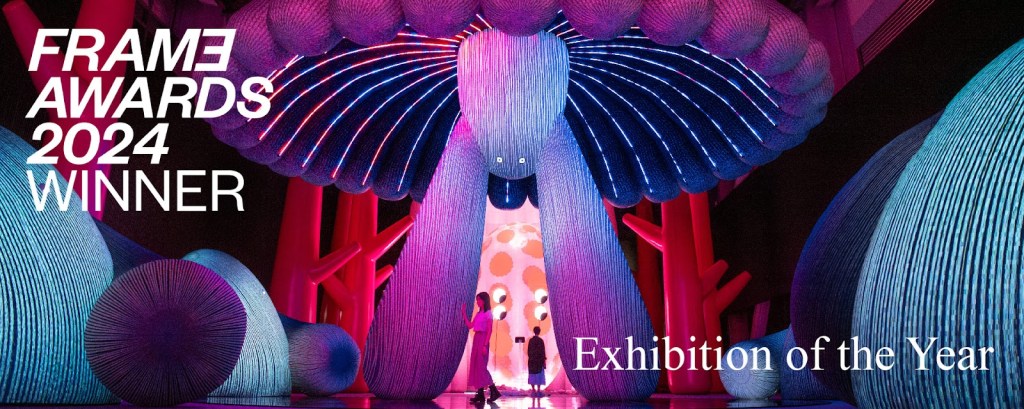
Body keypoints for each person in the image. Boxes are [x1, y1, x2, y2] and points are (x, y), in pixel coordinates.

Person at [462, 292, 501, 403]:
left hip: (483, 339)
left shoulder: (488, 314)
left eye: (479, 299)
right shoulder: (479, 314)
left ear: (484, 300)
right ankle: (480, 394)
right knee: (476, 366)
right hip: (477, 338)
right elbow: (470, 325)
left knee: (481, 367)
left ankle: (494, 390)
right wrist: (464, 313)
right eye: (477, 300)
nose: (477, 302)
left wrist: (485, 345)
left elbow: (489, 330)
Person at [527, 326, 547, 396]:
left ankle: (533, 390)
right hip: (539, 361)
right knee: (539, 375)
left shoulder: (531, 341)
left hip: (532, 361)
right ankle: (538, 390)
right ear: (539, 332)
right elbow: (543, 352)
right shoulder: (540, 341)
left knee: (532, 375)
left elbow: (529, 351)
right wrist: (544, 361)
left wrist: (531, 358)